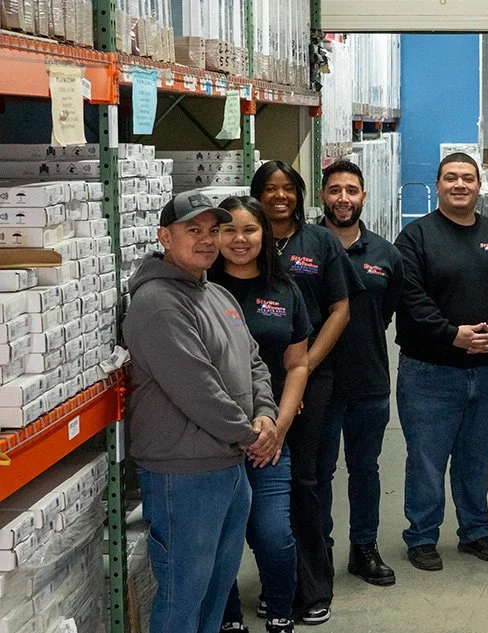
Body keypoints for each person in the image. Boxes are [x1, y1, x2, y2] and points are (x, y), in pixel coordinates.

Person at [123, 191, 278, 633]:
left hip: (229, 464)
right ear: (164, 237)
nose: (207, 240)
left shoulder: (217, 295)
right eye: (193, 230)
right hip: (183, 474)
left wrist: (265, 414)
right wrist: (252, 435)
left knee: (215, 590)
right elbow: (196, 388)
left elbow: (253, 361)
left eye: (214, 230)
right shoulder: (157, 302)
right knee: (184, 595)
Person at [393, 152, 488, 571]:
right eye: (451, 178)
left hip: (485, 372)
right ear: (438, 185)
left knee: (477, 459)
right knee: (427, 459)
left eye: (468, 178)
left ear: (479, 186)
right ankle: (422, 537)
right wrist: (451, 334)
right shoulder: (416, 238)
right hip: (429, 372)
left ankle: (475, 531)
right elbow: (410, 297)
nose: (460, 185)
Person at [250, 161, 363, 624]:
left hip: (311, 379)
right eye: (270, 189)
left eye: (288, 188)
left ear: (300, 194)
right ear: (257, 194)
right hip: (251, 383)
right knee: (262, 486)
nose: (280, 196)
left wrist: (306, 366)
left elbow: (341, 309)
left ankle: (314, 587)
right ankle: (277, 583)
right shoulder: (246, 241)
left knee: (305, 481)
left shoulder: (319, 242)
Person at [207, 197, 311, 633]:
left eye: (249, 229)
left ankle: (281, 613)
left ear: (264, 235)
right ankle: (229, 618)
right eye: (228, 230)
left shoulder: (284, 289)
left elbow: (298, 364)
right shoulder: (201, 289)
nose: (239, 239)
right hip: (212, 437)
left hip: (270, 434)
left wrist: (278, 429)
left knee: (273, 534)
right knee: (221, 536)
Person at [318, 160, 404, 586]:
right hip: (316, 383)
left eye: (351, 190)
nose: (343, 198)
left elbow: (386, 312)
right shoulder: (305, 247)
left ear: (363, 197)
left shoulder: (385, 253)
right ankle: (318, 551)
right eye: (335, 190)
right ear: (322, 196)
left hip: (369, 381)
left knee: (365, 469)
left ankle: (363, 549)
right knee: (318, 474)